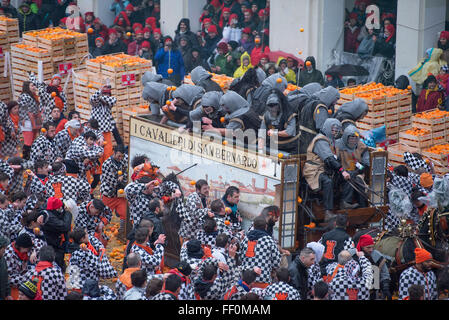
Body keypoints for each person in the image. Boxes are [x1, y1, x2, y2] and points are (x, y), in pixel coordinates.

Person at [303, 118, 349, 219]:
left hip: (326, 169)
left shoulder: (332, 141)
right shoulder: (320, 140)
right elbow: (329, 159)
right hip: (314, 170)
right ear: (327, 128)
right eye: (333, 129)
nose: (335, 132)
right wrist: (342, 170)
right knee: (327, 182)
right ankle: (328, 212)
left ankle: (345, 202)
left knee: (348, 177)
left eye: (337, 130)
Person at [239, 215, 281, 288]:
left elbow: (240, 259)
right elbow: (277, 262)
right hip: (263, 280)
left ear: (254, 226)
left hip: (246, 281)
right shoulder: (269, 241)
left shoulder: (245, 240)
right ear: (266, 227)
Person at [335, 125, 370, 209]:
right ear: (346, 137)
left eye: (355, 138)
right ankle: (345, 202)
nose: (353, 140)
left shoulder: (361, 147)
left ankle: (362, 207)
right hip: (340, 173)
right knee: (349, 178)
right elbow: (334, 162)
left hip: (356, 173)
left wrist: (357, 171)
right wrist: (343, 171)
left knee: (359, 181)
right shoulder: (337, 145)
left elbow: (365, 164)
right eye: (351, 138)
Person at [298, 86, 340, 154]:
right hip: (311, 141)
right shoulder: (320, 107)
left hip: (302, 139)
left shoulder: (311, 102)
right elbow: (322, 128)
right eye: (335, 100)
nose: (335, 103)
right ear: (330, 97)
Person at [258, 89, 299, 155]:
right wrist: (260, 151)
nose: (272, 108)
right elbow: (261, 135)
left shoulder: (289, 115)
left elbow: (289, 132)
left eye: (274, 105)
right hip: (273, 146)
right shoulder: (266, 116)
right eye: (270, 105)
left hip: (289, 148)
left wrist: (274, 132)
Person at [101, 144, 128, 240]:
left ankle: (121, 234)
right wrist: (121, 179)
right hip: (109, 194)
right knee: (104, 215)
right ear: (114, 153)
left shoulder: (124, 160)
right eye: (118, 156)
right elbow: (112, 182)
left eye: (122, 156)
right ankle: (99, 233)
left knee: (125, 214)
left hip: (120, 194)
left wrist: (123, 177)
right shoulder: (107, 164)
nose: (120, 158)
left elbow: (126, 172)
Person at [90, 85, 122, 160]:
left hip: (106, 130)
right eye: (104, 94)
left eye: (107, 94)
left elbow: (112, 100)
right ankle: (98, 169)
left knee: (108, 150)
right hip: (96, 130)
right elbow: (92, 99)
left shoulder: (110, 101)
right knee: (97, 150)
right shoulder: (96, 103)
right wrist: (100, 92)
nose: (106, 96)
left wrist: (101, 96)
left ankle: (107, 165)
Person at [356, 234, 392, 300]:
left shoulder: (376, 255)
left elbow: (384, 272)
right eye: (368, 247)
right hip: (359, 292)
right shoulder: (355, 257)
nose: (371, 250)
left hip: (374, 291)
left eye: (372, 247)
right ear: (362, 247)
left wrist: (385, 286)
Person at [3, 233, 33, 299]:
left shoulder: (23, 251)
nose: (28, 251)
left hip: (22, 282)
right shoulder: (9, 255)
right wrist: (26, 279)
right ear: (21, 247)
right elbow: (8, 278)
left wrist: (35, 252)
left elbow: (37, 242)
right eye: (27, 249)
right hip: (12, 290)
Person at [18, 81, 42, 160]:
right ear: (27, 87)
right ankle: (25, 158)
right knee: (28, 141)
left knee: (32, 140)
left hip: (34, 119)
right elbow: (22, 109)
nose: (34, 87)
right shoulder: (24, 96)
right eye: (32, 86)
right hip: (27, 121)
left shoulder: (33, 96)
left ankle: (30, 157)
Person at [0, 235, 12, 300]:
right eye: (4, 248)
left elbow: (6, 277)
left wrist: (8, 294)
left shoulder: (3, 260)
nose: (5, 250)